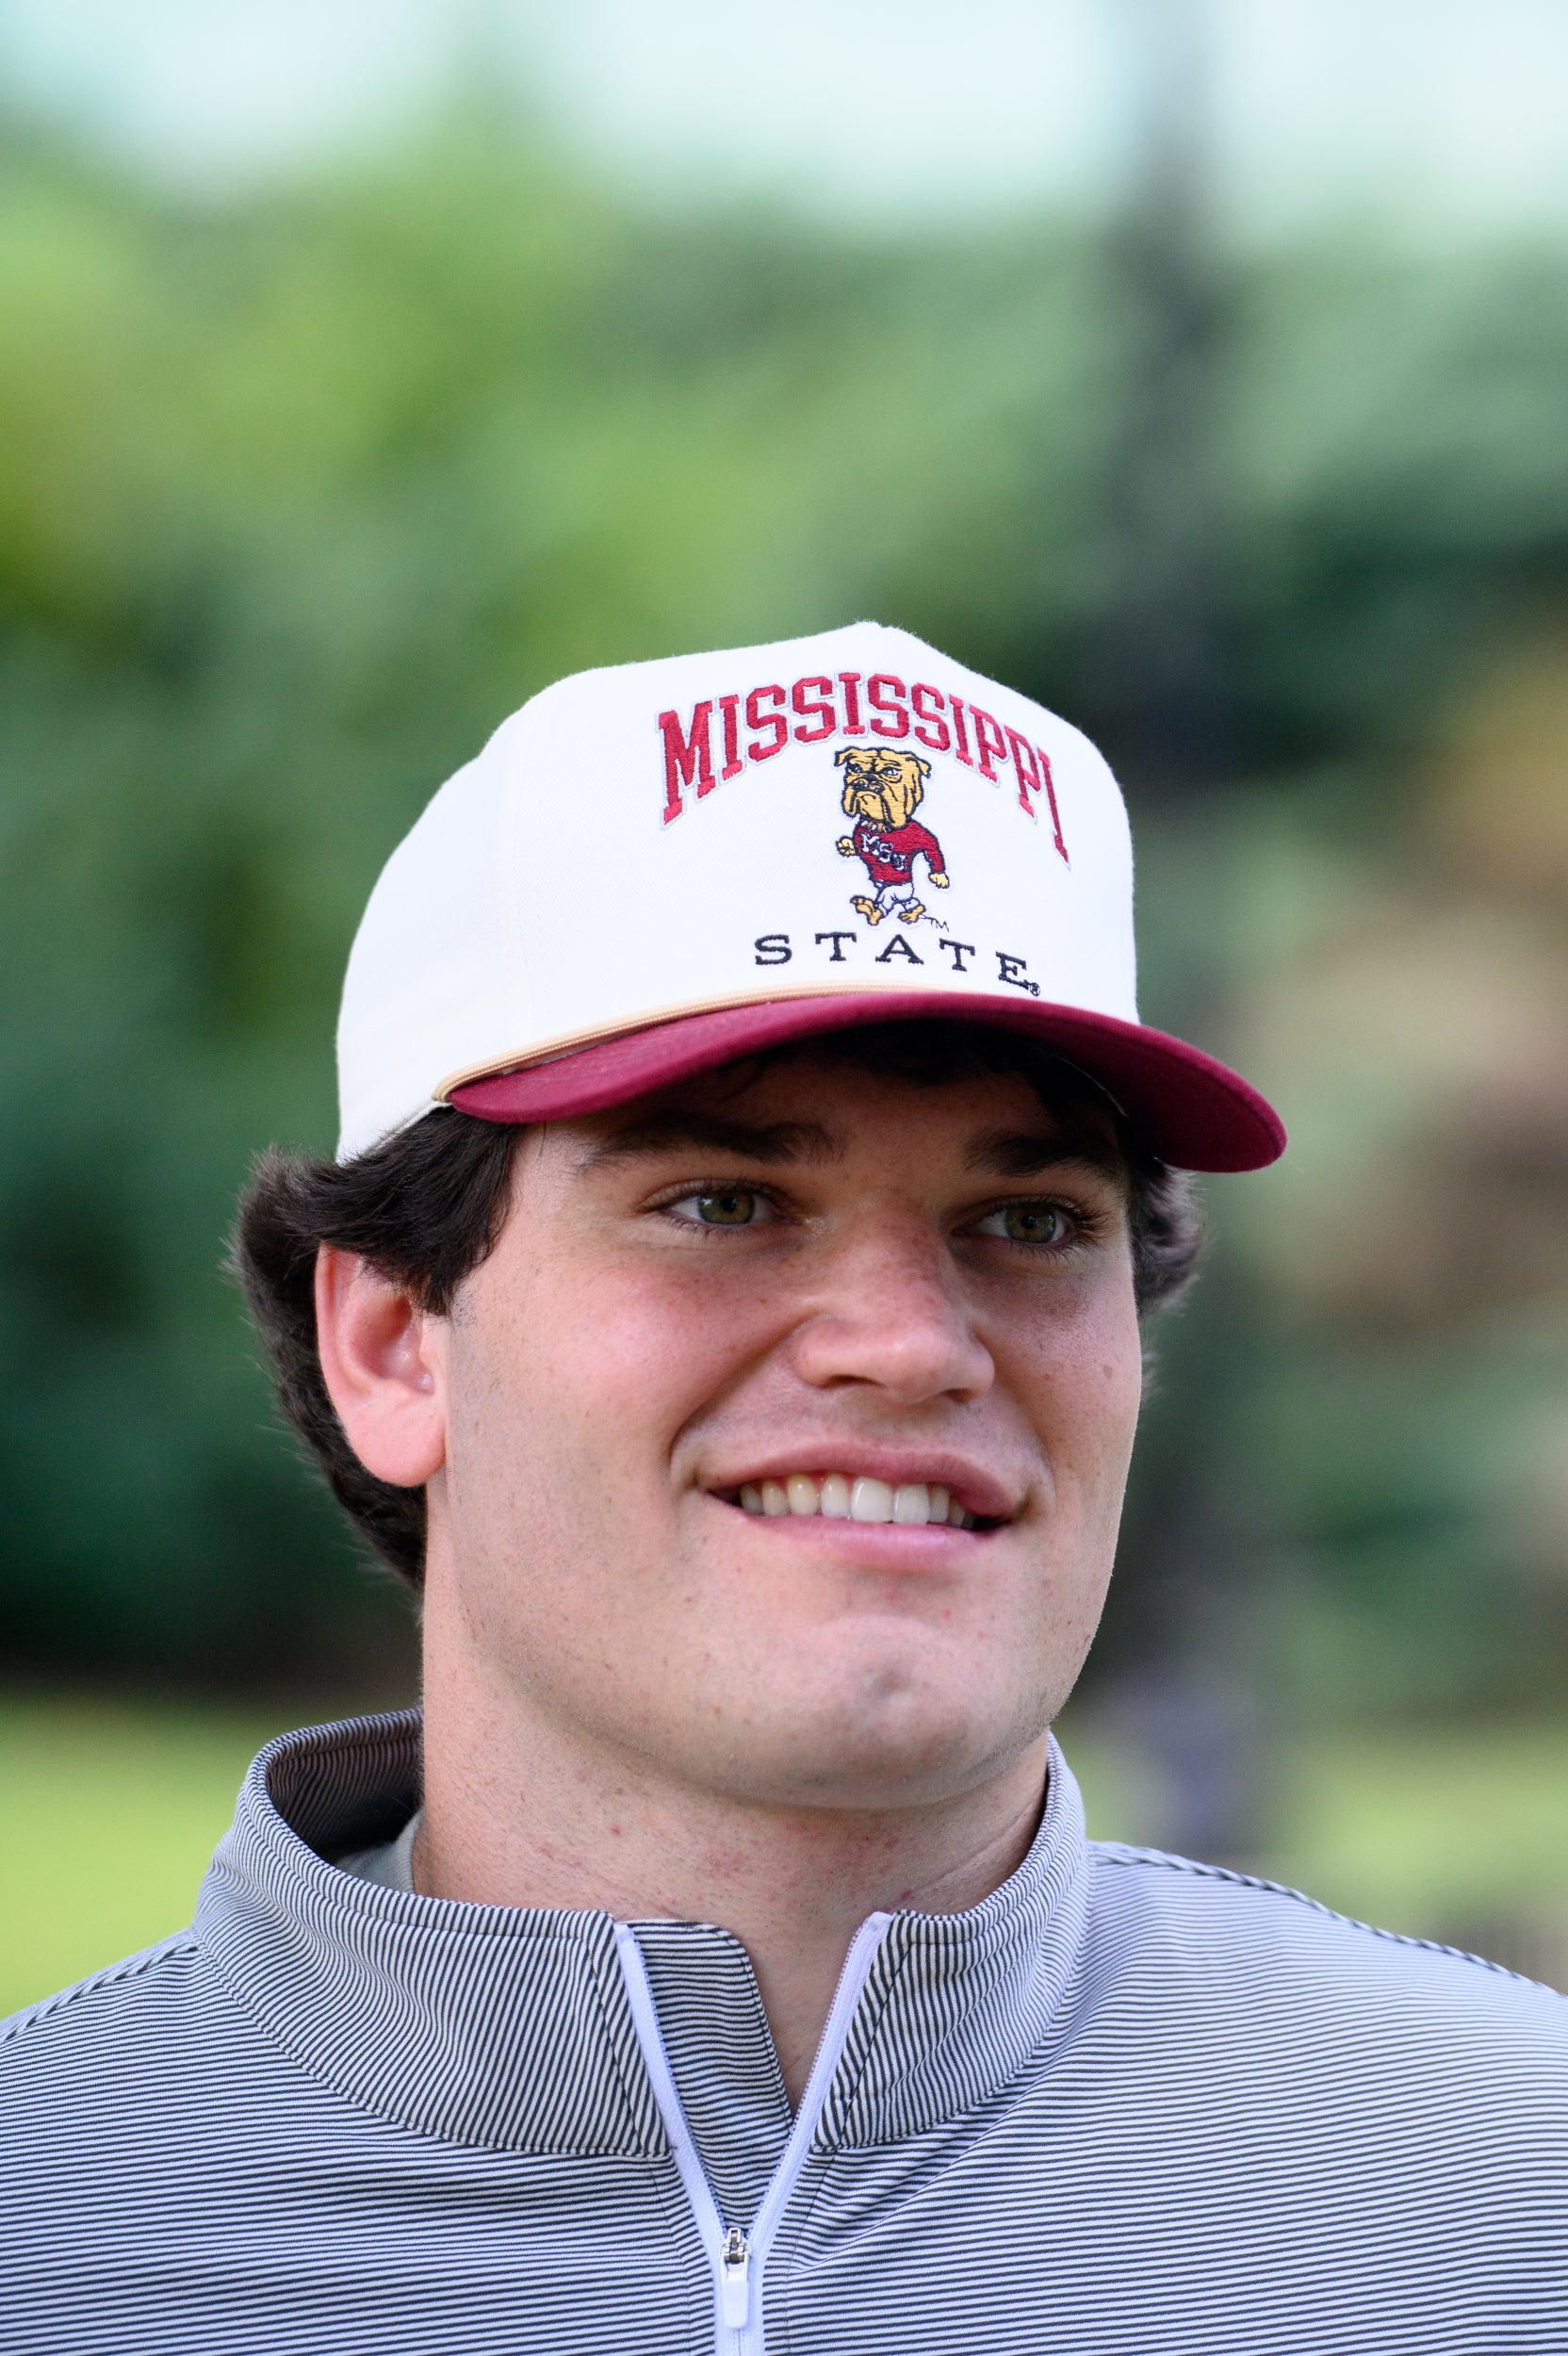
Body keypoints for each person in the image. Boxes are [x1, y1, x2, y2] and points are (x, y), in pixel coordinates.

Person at [2, 622, 1562, 2354]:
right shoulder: (46, 2230)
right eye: (723, 1203)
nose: (909, 1345)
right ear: (392, 1343)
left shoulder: (1514, 2206)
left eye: (1029, 1221)